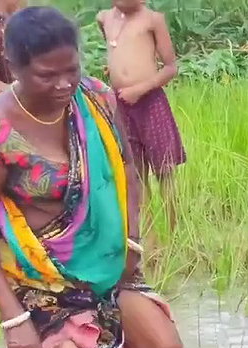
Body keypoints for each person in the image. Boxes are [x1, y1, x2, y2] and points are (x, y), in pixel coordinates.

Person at [0, 6, 182, 348]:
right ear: (14, 66)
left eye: (70, 69)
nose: (63, 84)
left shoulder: (95, 97)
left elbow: (125, 167)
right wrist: (13, 320)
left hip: (107, 259)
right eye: (47, 75)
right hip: (40, 279)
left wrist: (131, 241)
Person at [95, 0, 182, 227]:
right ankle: (148, 232)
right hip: (121, 104)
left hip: (150, 103)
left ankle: (175, 228)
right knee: (135, 171)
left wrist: (140, 89)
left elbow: (171, 68)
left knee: (164, 168)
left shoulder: (152, 20)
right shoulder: (104, 18)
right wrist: (115, 67)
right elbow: (114, 46)